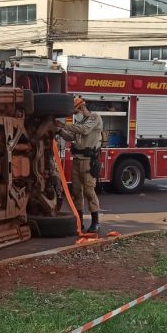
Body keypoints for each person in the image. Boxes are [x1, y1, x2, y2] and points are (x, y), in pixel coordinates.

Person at [56, 97, 103, 233]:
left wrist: (63, 125)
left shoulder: (94, 118)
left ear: (82, 107)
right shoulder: (80, 122)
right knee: (76, 192)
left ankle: (95, 223)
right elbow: (71, 136)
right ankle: (79, 222)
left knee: (89, 191)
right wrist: (59, 131)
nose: (75, 114)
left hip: (88, 161)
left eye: (76, 111)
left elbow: (84, 130)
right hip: (77, 160)